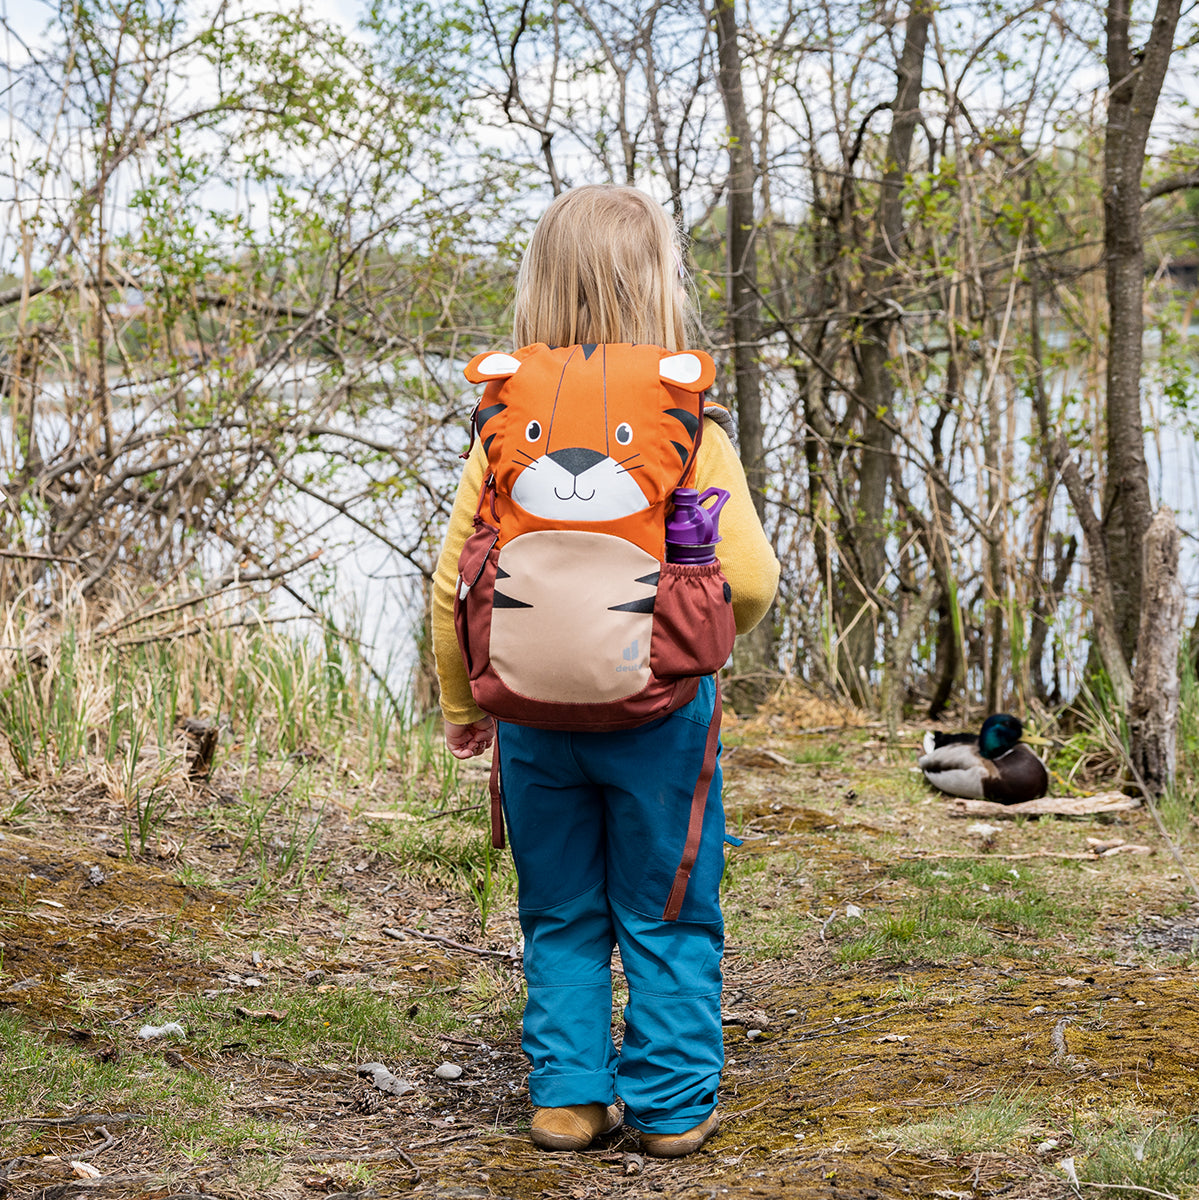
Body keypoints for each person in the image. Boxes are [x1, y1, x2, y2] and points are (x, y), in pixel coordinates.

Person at [431, 184, 779, 1158]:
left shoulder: (503, 429)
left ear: (536, 290)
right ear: (660, 290)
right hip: (661, 719)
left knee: (559, 908)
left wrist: (466, 702)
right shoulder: (686, 427)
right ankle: (669, 1107)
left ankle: (568, 1100)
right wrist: (695, 643)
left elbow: (448, 585)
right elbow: (750, 579)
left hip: (534, 717)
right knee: (667, 904)